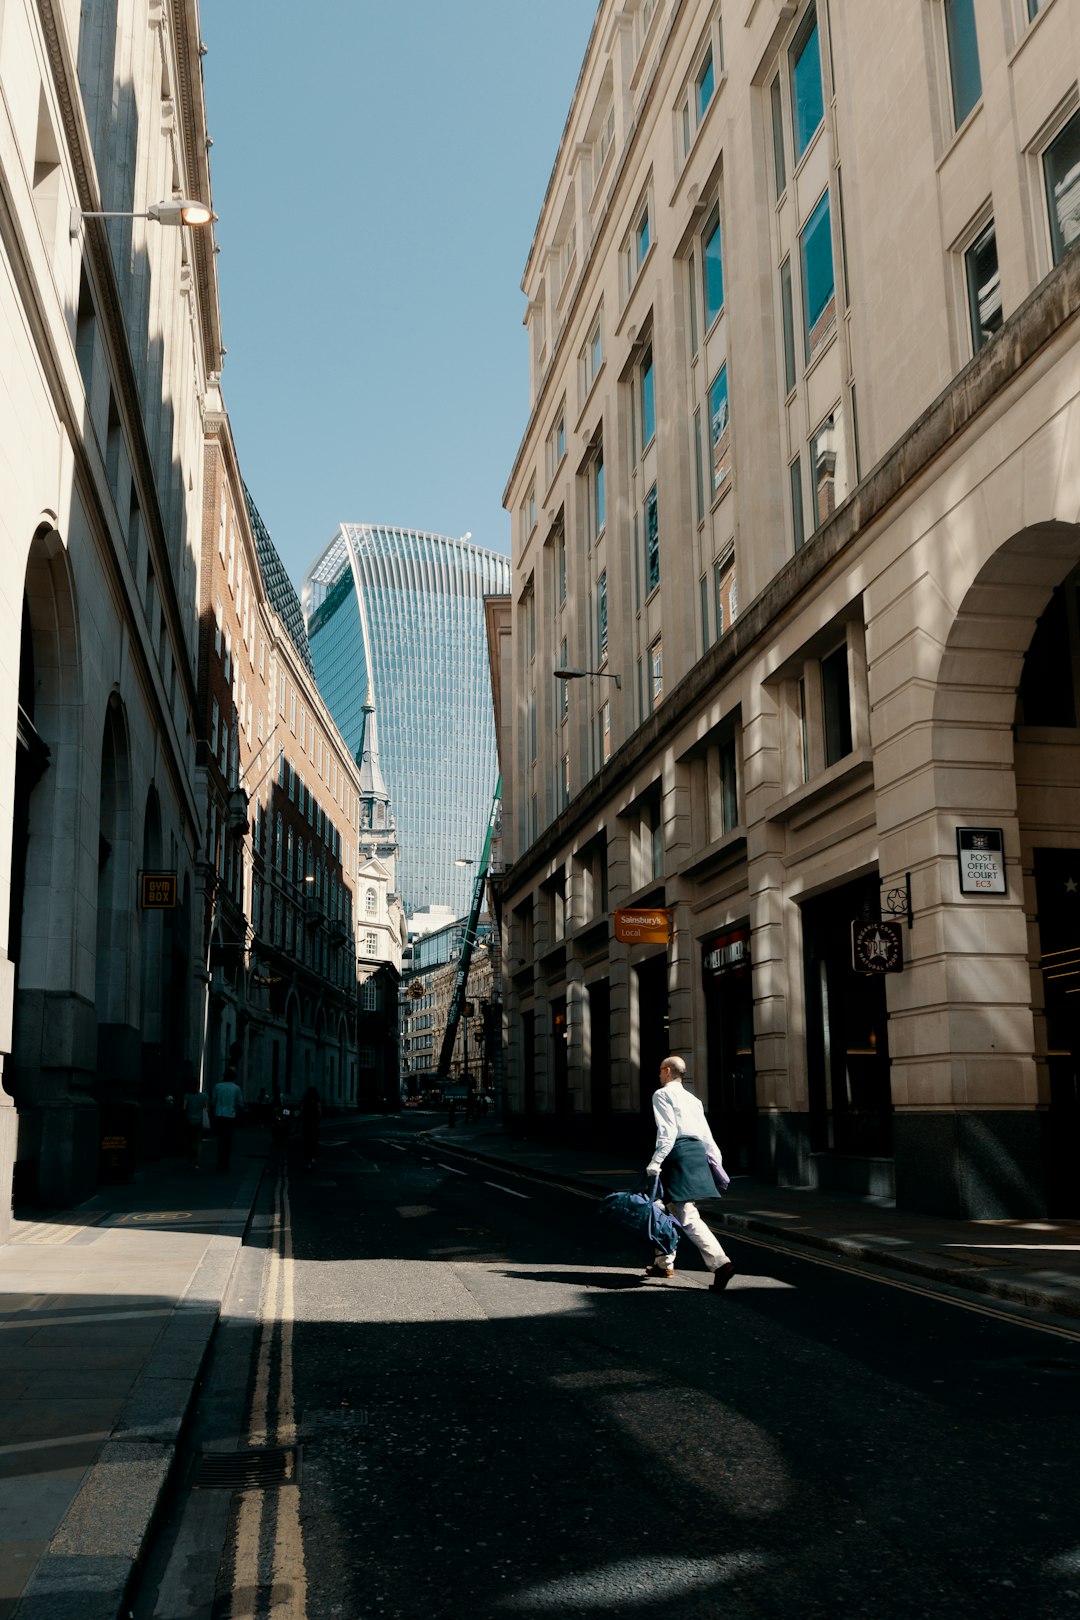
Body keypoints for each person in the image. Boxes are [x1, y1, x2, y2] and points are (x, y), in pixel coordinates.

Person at [642, 1055, 735, 1291]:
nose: (659, 1075)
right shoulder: (693, 1099)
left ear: (667, 1070)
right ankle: (664, 1263)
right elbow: (707, 1135)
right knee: (665, 1207)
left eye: (660, 1070)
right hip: (696, 1155)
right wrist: (717, 1165)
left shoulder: (662, 1094)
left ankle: (721, 1264)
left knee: (686, 1214)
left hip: (678, 1154)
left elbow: (667, 1132)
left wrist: (655, 1161)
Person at [211, 1066, 244, 1172]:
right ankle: (225, 1163)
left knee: (220, 1140)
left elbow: (213, 1101)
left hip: (219, 1115)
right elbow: (240, 1103)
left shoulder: (218, 1086)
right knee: (228, 1141)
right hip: (230, 1116)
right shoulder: (236, 1088)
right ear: (234, 1078)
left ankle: (219, 1162)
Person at [182, 1065, 208, 1169]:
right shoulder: (204, 1096)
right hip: (199, 1120)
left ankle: (191, 1160)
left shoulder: (187, 1096)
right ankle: (197, 1161)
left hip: (189, 1120)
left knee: (190, 1141)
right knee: (199, 1141)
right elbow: (206, 1108)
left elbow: (184, 1108)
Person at [299, 1085, 321, 1170]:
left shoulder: (304, 1101)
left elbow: (301, 1112)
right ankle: (313, 1159)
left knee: (307, 1143)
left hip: (306, 1125)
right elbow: (320, 1113)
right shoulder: (317, 1102)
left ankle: (308, 1162)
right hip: (314, 1126)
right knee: (314, 1143)